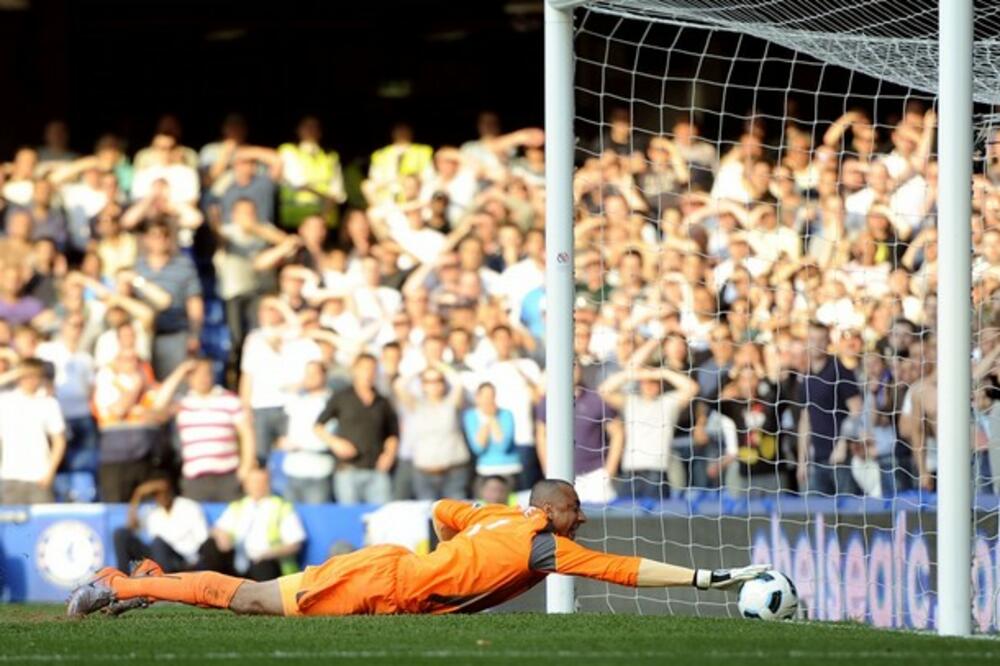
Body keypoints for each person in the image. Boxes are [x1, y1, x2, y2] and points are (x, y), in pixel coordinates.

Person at [68, 479, 766, 618]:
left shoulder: (497, 515)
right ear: (551, 511)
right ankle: (118, 586)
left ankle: (153, 577)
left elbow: (442, 510)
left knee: (250, 600)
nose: (581, 520)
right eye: (575, 510)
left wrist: (446, 558)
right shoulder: (540, 544)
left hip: (396, 569)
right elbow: (625, 570)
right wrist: (710, 578)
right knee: (248, 599)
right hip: (386, 585)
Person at [313, 353, 399, 505]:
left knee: (380, 517)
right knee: (349, 519)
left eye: (372, 369)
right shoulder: (341, 397)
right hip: (348, 470)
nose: (368, 374)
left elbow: (392, 433)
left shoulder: (383, 401)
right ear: (355, 371)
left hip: (376, 471)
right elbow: (318, 426)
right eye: (364, 369)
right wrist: (335, 443)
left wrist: (389, 454)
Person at [196, 469, 305, 582]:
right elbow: (216, 529)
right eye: (252, 482)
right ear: (245, 485)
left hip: (266, 560)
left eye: (260, 482)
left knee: (263, 566)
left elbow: (295, 544)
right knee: (211, 546)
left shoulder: (282, 508)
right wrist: (220, 535)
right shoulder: (238, 506)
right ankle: (209, 588)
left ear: (269, 484)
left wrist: (266, 554)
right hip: (238, 560)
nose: (256, 486)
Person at [0, 359, 66, 504]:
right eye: (25, 375)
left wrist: (50, 471)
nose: (30, 380)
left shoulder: (49, 403)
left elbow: (59, 441)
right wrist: (14, 373)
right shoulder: (5, 401)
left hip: (39, 476)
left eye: (34, 376)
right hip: (9, 476)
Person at [112, 479, 209, 573]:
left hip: (182, 559)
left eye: (164, 491)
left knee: (158, 543)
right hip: (157, 558)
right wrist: (137, 495)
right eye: (156, 493)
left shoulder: (189, 507)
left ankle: (163, 584)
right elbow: (131, 525)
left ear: (171, 490)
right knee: (121, 534)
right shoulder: (153, 512)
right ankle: (123, 581)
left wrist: (193, 563)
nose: (161, 496)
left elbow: (203, 539)